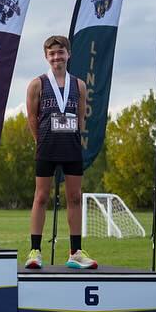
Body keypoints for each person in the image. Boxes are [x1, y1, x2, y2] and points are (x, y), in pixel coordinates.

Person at [24, 36, 95, 269]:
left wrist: (76, 139)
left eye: (61, 52)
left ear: (68, 54)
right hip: (47, 146)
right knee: (41, 197)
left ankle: (75, 253)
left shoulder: (79, 85)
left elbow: (81, 117)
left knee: (74, 197)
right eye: (52, 53)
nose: (57, 57)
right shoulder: (38, 84)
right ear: (46, 57)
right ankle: (35, 251)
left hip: (71, 147)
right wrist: (39, 140)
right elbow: (32, 117)